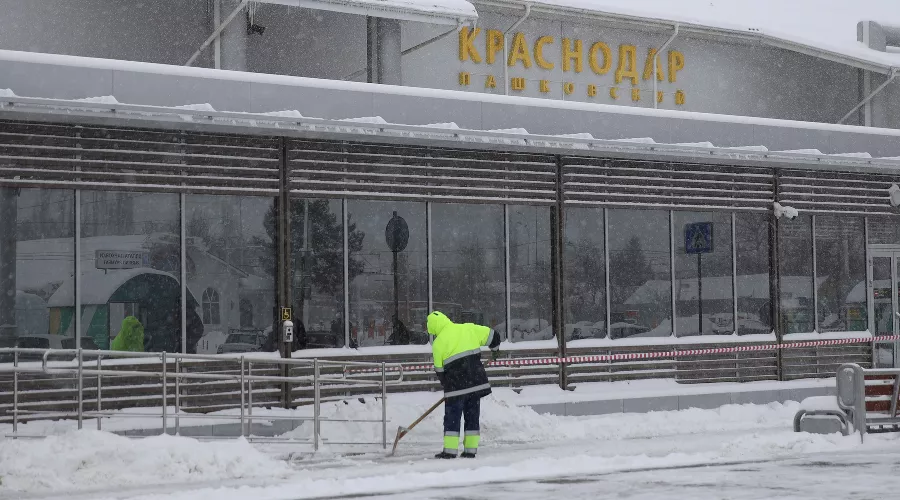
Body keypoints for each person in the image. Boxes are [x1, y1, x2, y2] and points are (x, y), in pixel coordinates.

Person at [426, 311, 501, 459]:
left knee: (452, 418)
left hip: (455, 388)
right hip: (476, 384)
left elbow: (440, 371)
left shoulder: (438, 343)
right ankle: (470, 451)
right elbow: (494, 336)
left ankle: (450, 451)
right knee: (472, 416)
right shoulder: (468, 328)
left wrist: (448, 386)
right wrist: (495, 351)